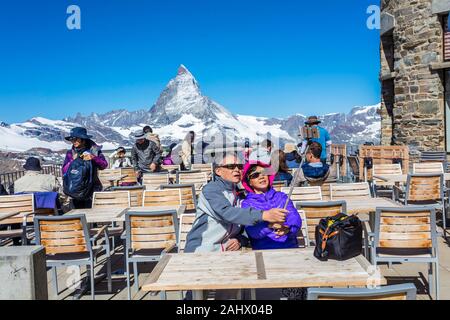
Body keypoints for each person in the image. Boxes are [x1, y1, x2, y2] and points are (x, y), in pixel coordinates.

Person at [184, 153, 288, 254]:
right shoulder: (211, 190)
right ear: (218, 171)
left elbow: (243, 225)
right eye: (231, 166)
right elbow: (227, 213)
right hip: (201, 250)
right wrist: (264, 215)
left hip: (226, 253)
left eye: (239, 166)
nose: (237, 170)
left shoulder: (239, 193)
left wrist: (240, 239)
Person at [241, 161, 301, 250]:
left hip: (289, 247)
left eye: (264, 173)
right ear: (249, 182)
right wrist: (270, 226)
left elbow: (295, 218)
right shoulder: (247, 204)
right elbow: (252, 231)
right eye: (255, 175)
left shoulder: (282, 197)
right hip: (264, 250)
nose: (261, 176)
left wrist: (288, 228)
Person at [62, 127, 108, 208]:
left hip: (92, 189)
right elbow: (64, 170)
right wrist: (73, 160)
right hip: (75, 189)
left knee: (93, 217)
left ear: (83, 139)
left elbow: (104, 165)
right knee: (78, 217)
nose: (73, 141)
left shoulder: (94, 151)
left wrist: (93, 158)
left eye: (76, 139)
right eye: (72, 139)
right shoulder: (70, 153)